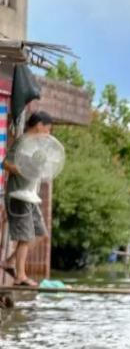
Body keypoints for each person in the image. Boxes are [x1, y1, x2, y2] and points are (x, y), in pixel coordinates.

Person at [3, 111, 55, 287]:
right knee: (25, 237)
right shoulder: (22, 141)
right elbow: (6, 164)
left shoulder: (36, 146)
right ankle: (20, 276)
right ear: (39, 124)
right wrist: (24, 170)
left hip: (31, 196)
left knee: (40, 234)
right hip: (18, 195)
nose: (48, 132)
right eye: (48, 128)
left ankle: (10, 262)